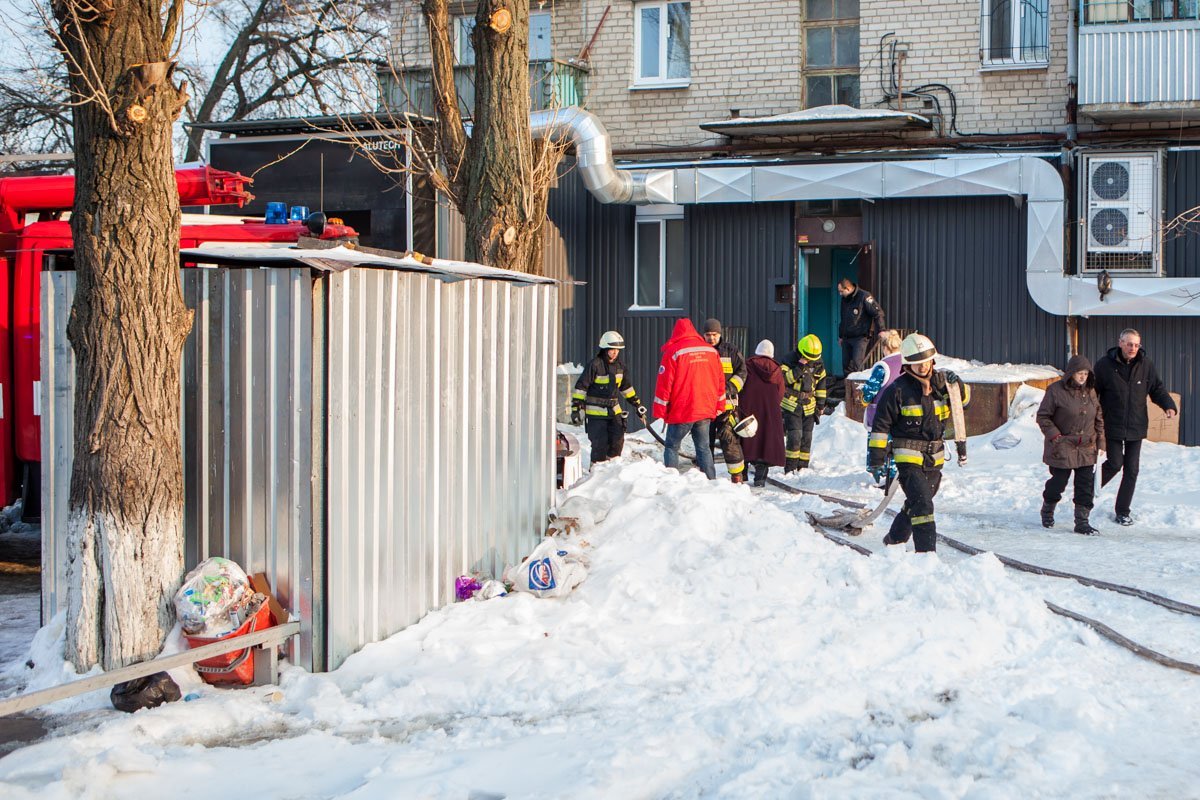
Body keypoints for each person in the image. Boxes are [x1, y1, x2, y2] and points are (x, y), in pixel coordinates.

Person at [869, 332, 970, 553]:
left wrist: (957, 386)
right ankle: (926, 555)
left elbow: (964, 404)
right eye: (917, 363)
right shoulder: (897, 390)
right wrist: (876, 459)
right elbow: (880, 427)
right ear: (907, 364)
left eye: (926, 362)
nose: (923, 367)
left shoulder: (942, 384)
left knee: (919, 500)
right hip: (908, 456)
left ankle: (894, 539)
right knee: (923, 504)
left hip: (934, 457)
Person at [1093, 328, 1178, 526]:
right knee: (1114, 464)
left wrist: (1168, 405)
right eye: (1129, 344)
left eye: (1136, 344)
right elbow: (1092, 394)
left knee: (1132, 470)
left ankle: (1122, 511)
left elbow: (1157, 388)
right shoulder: (1104, 365)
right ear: (1120, 343)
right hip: (1112, 424)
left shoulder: (1145, 365)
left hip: (1136, 425)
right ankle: (1085, 494)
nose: (1133, 348)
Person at [1036, 355, 1105, 535]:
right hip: (1063, 444)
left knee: (1085, 485)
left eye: (1085, 373)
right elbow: (1043, 416)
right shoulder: (1055, 391)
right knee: (1058, 482)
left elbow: (1098, 418)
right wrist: (1055, 436)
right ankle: (1047, 509)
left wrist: (1101, 443)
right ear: (1070, 373)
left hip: (1086, 446)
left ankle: (1082, 522)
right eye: (1079, 373)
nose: (1082, 377)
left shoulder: (1090, 392)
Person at [653, 318, 727, 479]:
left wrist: (660, 408)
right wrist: (720, 404)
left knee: (672, 446)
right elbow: (720, 381)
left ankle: (670, 480)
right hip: (705, 408)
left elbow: (664, 383)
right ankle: (711, 481)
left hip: (683, 409)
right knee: (704, 447)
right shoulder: (711, 351)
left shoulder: (674, 352)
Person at [571, 330, 646, 465]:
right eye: (612, 349)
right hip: (596, 414)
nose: (615, 353)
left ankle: (612, 470)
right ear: (605, 349)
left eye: (617, 350)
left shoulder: (620, 367)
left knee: (617, 442)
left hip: (614, 411)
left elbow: (626, 388)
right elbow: (581, 387)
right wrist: (576, 408)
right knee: (600, 444)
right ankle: (597, 471)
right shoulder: (595, 365)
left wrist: (637, 404)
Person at [702, 318, 748, 483]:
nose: (711, 338)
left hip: (727, 406)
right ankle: (705, 477)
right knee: (704, 442)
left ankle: (737, 476)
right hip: (705, 406)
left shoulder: (731, 351)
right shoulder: (700, 351)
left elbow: (742, 372)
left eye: (714, 334)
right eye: (708, 334)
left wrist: (729, 388)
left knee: (729, 440)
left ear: (720, 334)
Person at [739, 339, 787, 487]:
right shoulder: (777, 370)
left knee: (744, 439)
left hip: (747, 409)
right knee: (765, 442)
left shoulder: (747, 365)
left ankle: (742, 474)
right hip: (769, 413)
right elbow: (780, 392)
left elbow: (740, 384)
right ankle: (760, 479)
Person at [780, 334, 828, 473]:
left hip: (809, 406)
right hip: (792, 404)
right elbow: (784, 380)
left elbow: (821, 386)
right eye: (808, 357)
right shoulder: (788, 360)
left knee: (807, 438)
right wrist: (800, 367)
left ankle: (803, 468)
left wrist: (820, 405)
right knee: (795, 436)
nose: (811, 361)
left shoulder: (818, 363)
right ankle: (790, 468)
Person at [860, 329, 903, 485]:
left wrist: (863, 397)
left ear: (884, 347)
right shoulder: (906, 362)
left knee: (879, 446)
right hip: (902, 412)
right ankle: (897, 474)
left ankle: (882, 476)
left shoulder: (883, 366)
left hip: (881, 414)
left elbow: (870, 391)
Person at [837, 278, 886, 375]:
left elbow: (877, 313)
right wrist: (841, 336)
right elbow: (844, 319)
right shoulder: (844, 300)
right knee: (846, 365)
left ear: (848, 288)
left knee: (857, 364)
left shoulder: (864, 296)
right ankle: (848, 388)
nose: (840, 294)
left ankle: (858, 389)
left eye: (841, 291)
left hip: (860, 337)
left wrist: (881, 329)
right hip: (846, 337)